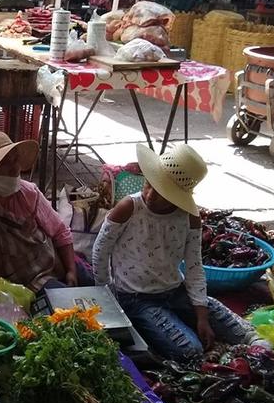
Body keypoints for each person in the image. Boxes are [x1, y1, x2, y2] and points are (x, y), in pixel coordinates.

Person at [92, 144, 264, 361]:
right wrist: (107, 294)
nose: (151, 195)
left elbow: (194, 267)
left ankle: (251, 341)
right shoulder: (129, 207)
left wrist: (202, 315)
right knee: (189, 350)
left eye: (163, 193)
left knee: (228, 323)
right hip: (136, 298)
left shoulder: (189, 217)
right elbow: (100, 251)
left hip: (176, 291)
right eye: (148, 185)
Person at [0, 132, 93, 292]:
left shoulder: (28, 192)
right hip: (25, 282)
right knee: (63, 300)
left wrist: (71, 271)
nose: (14, 168)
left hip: (49, 262)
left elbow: (60, 231)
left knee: (92, 283)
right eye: (5, 163)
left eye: (15, 160)